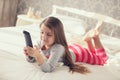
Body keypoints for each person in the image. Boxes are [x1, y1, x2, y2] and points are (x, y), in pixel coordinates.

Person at [24, 16, 108, 74]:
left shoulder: (58, 48)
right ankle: (88, 41)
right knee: (94, 54)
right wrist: (30, 54)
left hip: (81, 54)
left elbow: (48, 68)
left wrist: (38, 56)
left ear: (57, 35)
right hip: (71, 49)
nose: (43, 37)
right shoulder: (41, 41)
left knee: (102, 60)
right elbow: (32, 60)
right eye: (42, 32)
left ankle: (95, 37)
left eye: (49, 35)